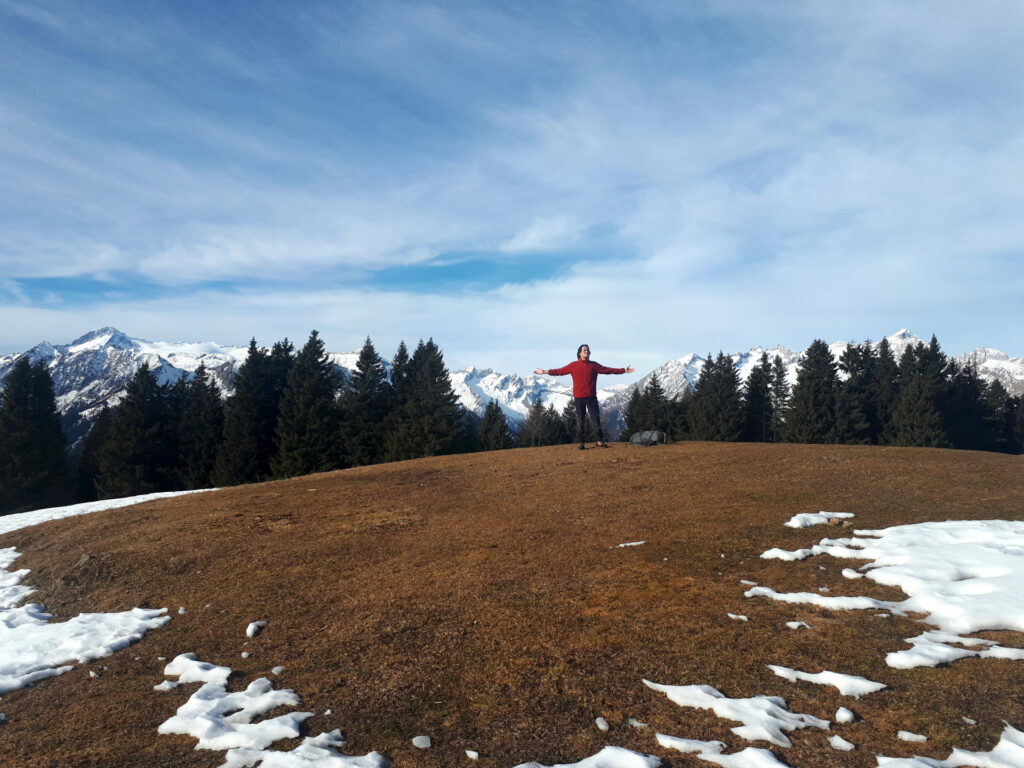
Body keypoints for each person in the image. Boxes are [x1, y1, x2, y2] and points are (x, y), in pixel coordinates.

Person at [534, 344, 635, 449]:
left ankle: (599, 441)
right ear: (579, 353)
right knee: (580, 421)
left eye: (588, 350)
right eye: (584, 350)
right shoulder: (573, 365)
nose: (587, 351)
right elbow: (559, 371)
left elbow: (608, 370)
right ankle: (581, 443)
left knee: (596, 420)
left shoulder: (594, 365)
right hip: (579, 399)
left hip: (592, 398)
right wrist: (544, 371)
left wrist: (624, 370)